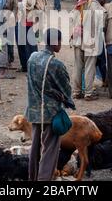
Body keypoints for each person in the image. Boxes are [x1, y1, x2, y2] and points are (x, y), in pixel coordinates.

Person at [26, 28, 75, 181]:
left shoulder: (32, 57)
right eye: (60, 41)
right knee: (49, 152)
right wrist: (68, 101)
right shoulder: (55, 64)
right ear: (55, 43)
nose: (61, 44)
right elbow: (66, 89)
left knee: (34, 149)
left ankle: (32, 178)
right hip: (50, 114)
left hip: (34, 112)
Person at [71, 0, 106, 101]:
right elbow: (102, 22)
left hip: (77, 40)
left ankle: (76, 92)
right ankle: (88, 93)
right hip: (90, 41)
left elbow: (71, 20)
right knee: (89, 67)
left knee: (78, 66)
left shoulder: (78, 5)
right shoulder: (95, 5)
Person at [18, 0, 47, 72]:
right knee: (25, 46)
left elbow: (41, 7)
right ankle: (27, 66)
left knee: (31, 46)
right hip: (24, 21)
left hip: (32, 22)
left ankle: (34, 68)